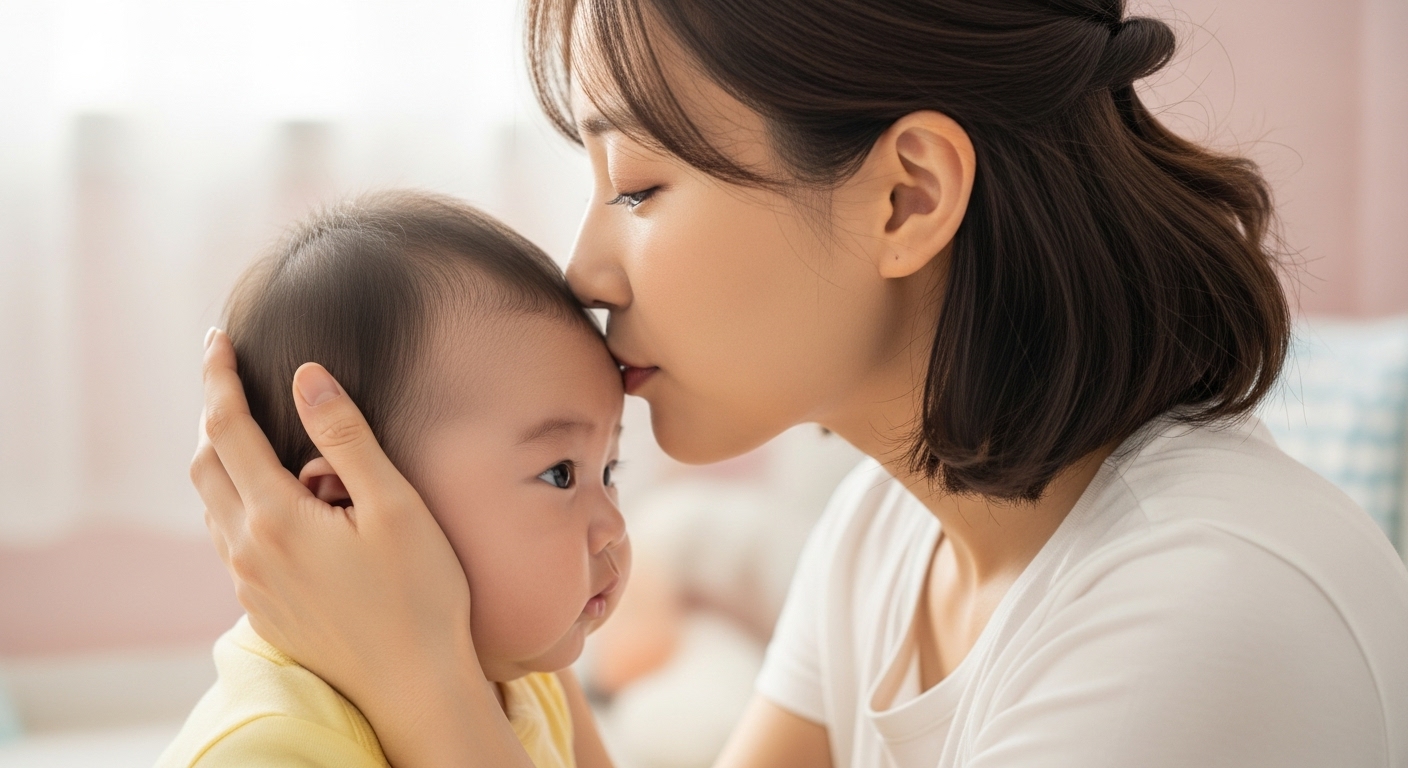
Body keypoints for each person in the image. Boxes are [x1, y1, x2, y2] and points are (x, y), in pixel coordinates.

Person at [192, 1, 1408, 767]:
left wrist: (420, 680)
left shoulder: (1200, 621)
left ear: (906, 197)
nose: (583, 268)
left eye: (640, 186)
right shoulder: (892, 530)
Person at [165, 191, 628, 768]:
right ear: (343, 507)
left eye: (609, 470)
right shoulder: (269, 748)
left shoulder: (530, 678)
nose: (614, 525)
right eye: (561, 474)